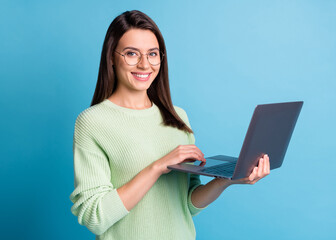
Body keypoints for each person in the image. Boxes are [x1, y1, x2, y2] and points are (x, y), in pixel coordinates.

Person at [69, 10, 270, 240]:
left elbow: (187, 204)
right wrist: (158, 167)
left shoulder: (178, 117)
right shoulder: (92, 122)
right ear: (111, 58)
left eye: (152, 54)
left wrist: (226, 181)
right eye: (131, 53)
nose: (145, 64)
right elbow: (95, 217)